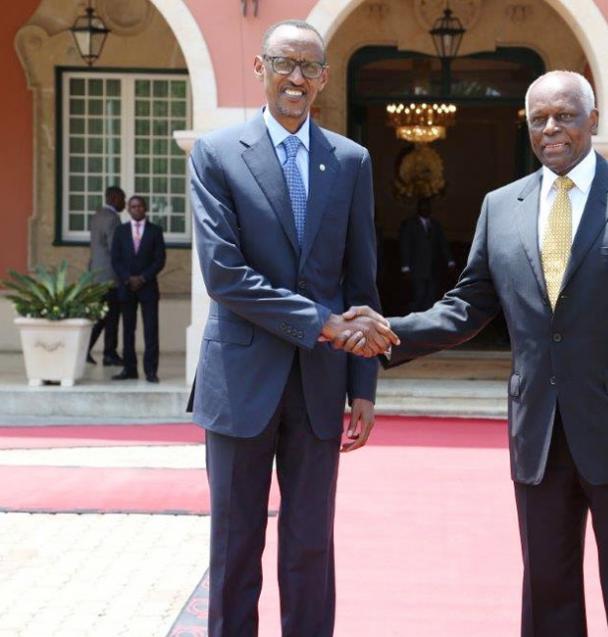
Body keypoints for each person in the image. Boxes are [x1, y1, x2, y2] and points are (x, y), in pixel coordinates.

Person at [347, 70, 608, 637]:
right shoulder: (501, 206)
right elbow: (466, 306)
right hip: (538, 434)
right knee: (547, 588)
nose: (551, 129)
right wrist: (386, 332)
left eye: (564, 115)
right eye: (538, 119)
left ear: (593, 120)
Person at [186, 20, 397, 637]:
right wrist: (323, 324)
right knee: (233, 547)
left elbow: (362, 281)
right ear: (260, 68)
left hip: (319, 387)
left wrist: (364, 384)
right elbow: (223, 275)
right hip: (240, 383)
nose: (296, 79)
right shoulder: (218, 154)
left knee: (310, 547)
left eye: (309, 67)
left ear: (326, 76)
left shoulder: (351, 161)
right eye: (284, 64)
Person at [110, 195, 166, 383]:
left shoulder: (155, 231)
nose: (137, 209)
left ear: (145, 208)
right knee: (128, 330)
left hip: (148, 288)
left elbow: (160, 260)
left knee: (151, 331)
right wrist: (127, 278)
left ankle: (151, 371)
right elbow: (115, 260)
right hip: (126, 289)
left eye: (140, 206)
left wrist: (142, 278)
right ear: (128, 209)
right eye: (133, 206)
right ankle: (129, 368)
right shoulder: (120, 231)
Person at [86, 186, 126, 366]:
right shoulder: (112, 218)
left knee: (103, 315)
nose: (124, 204)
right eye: (123, 199)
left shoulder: (97, 216)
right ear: (115, 198)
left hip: (96, 274)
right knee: (111, 317)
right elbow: (114, 248)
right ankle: (108, 353)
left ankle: (88, 348)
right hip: (110, 276)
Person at [399, 197, 456, 311]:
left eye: (427, 206)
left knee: (431, 298)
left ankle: (425, 324)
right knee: (418, 296)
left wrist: (450, 261)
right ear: (418, 208)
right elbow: (406, 246)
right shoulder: (410, 224)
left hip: (433, 269)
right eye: (422, 206)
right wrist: (405, 267)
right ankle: (412, 321)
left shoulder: (435, 225)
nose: (425, 209)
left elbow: (443, 244)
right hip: (417, 269)